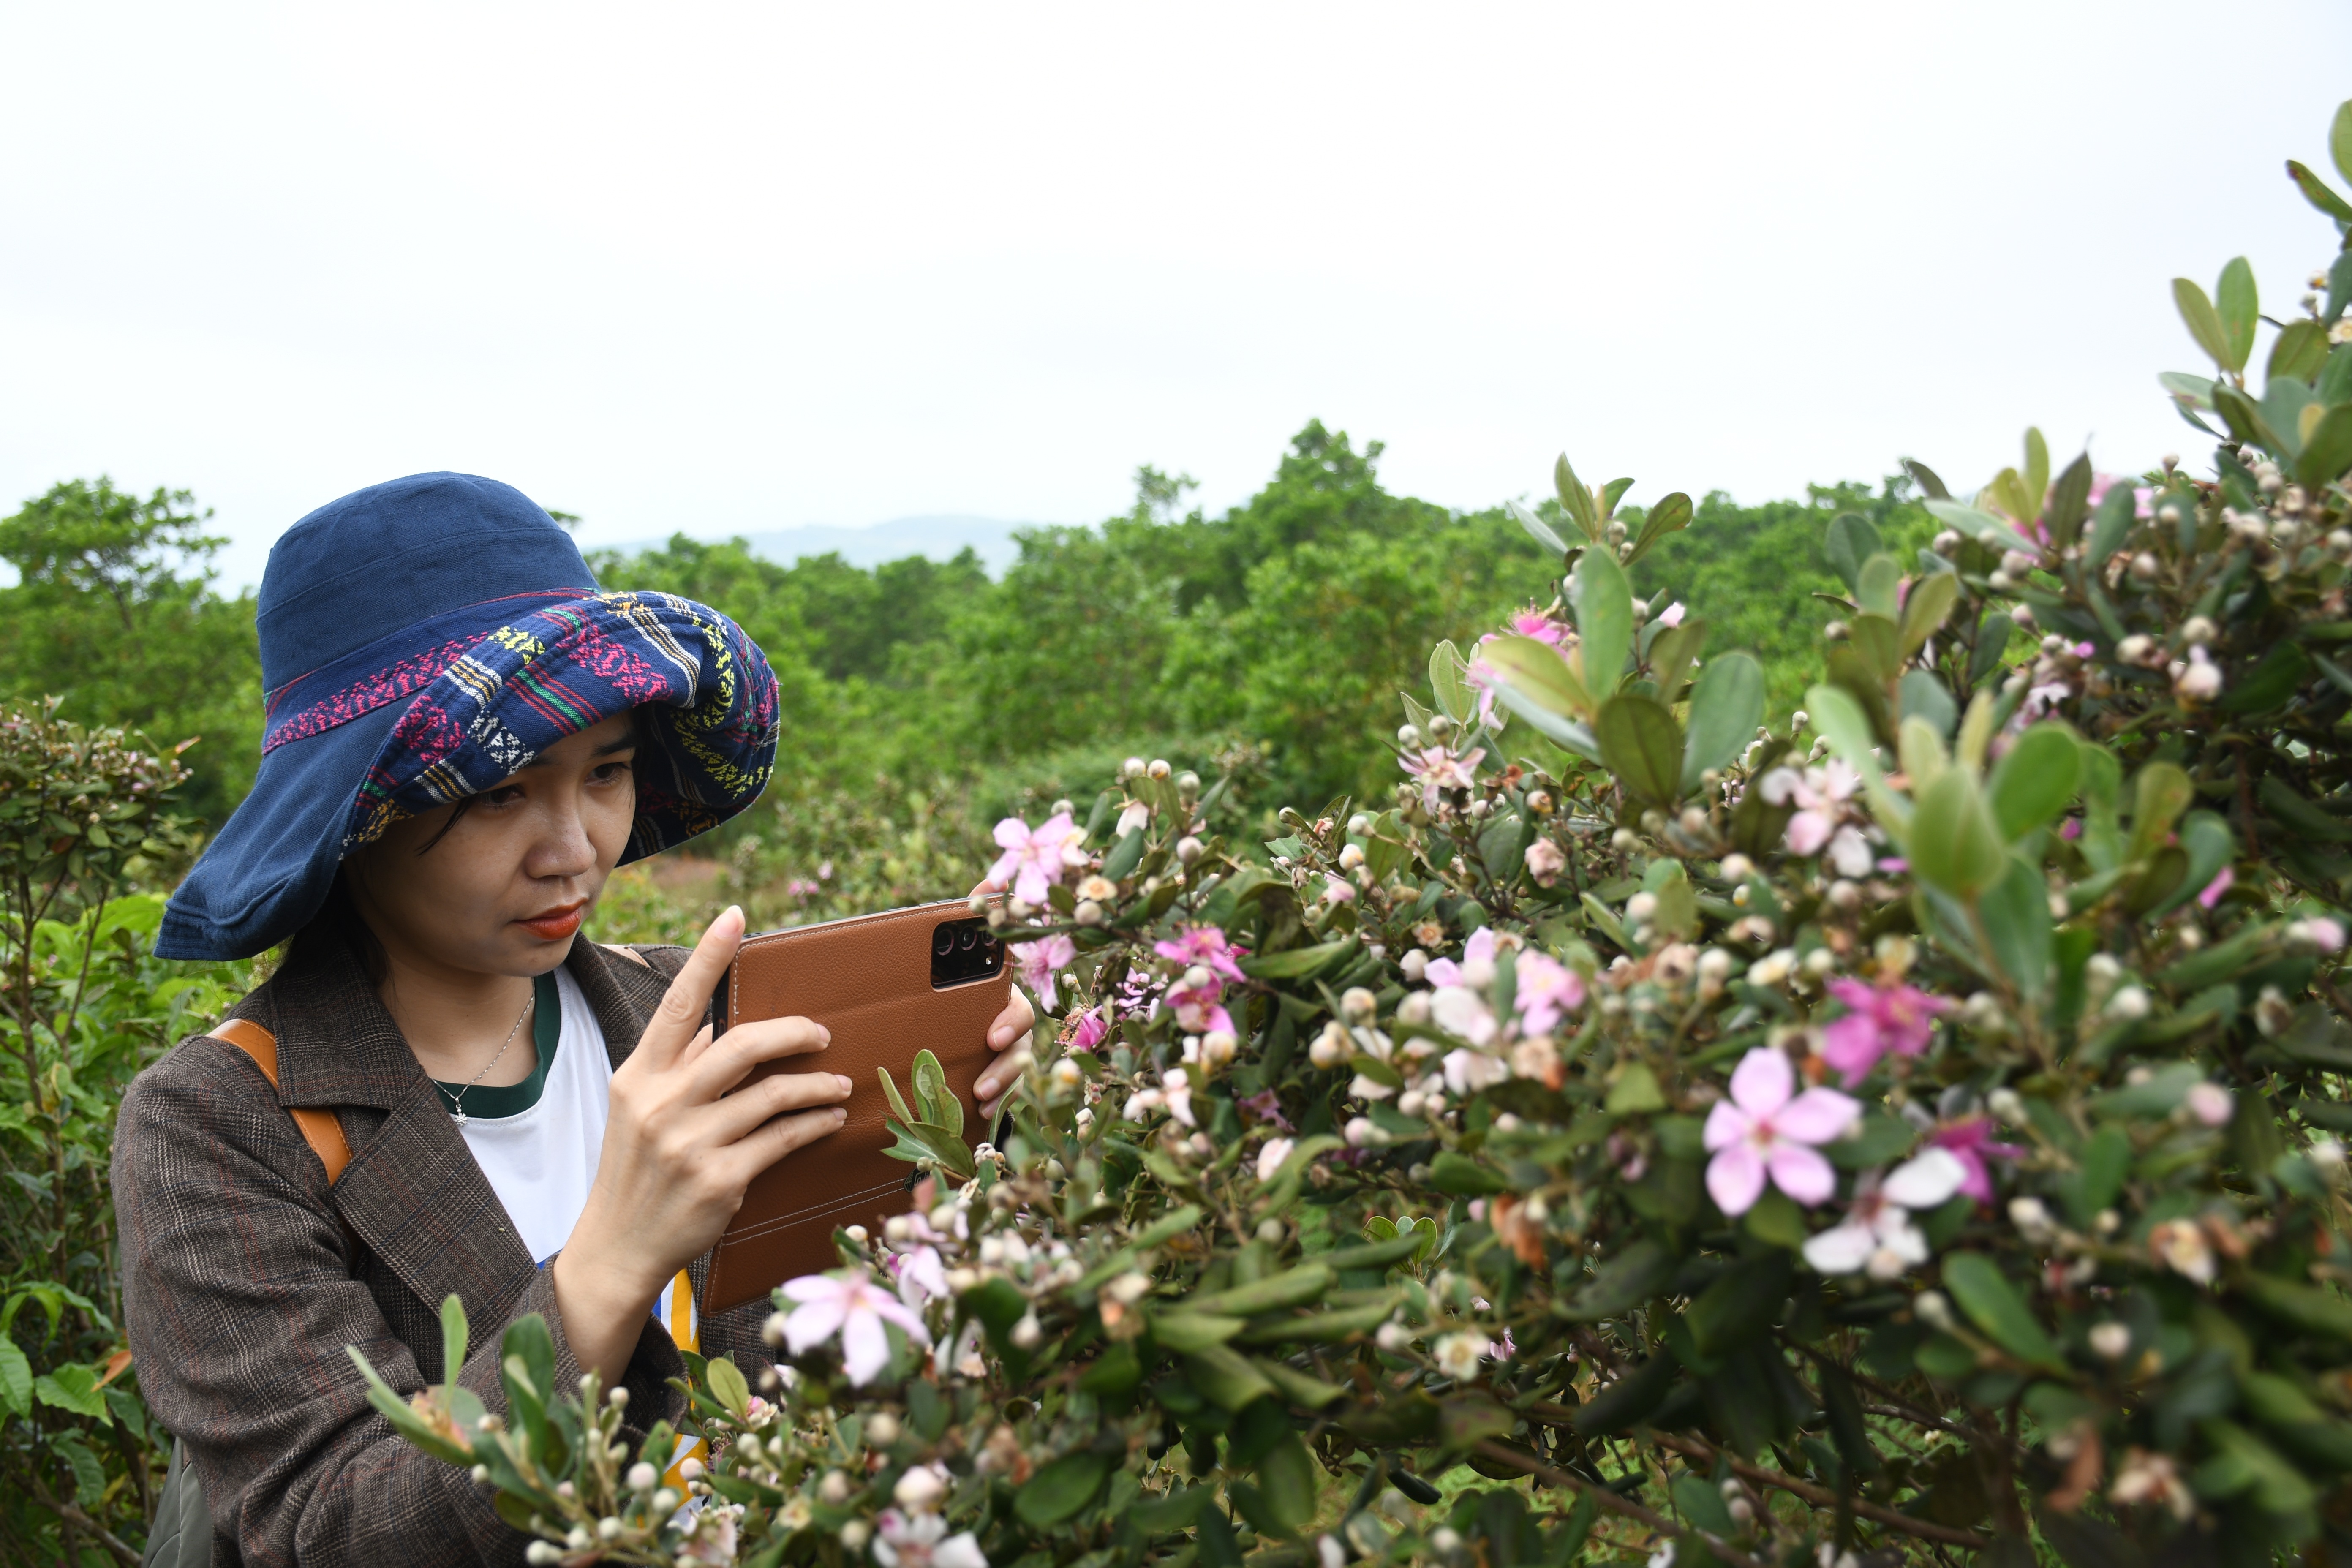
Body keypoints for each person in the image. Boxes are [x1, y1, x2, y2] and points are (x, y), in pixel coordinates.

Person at [112, 474, 1032, 1567]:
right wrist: (605, 1269)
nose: (575, 847)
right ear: (363, 815)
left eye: (607, 773)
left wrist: (957, 1172)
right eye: (501, 793)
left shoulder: (694, 1018)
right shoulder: (218, 1127)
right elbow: (334, 1524)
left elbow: (821, 1384)